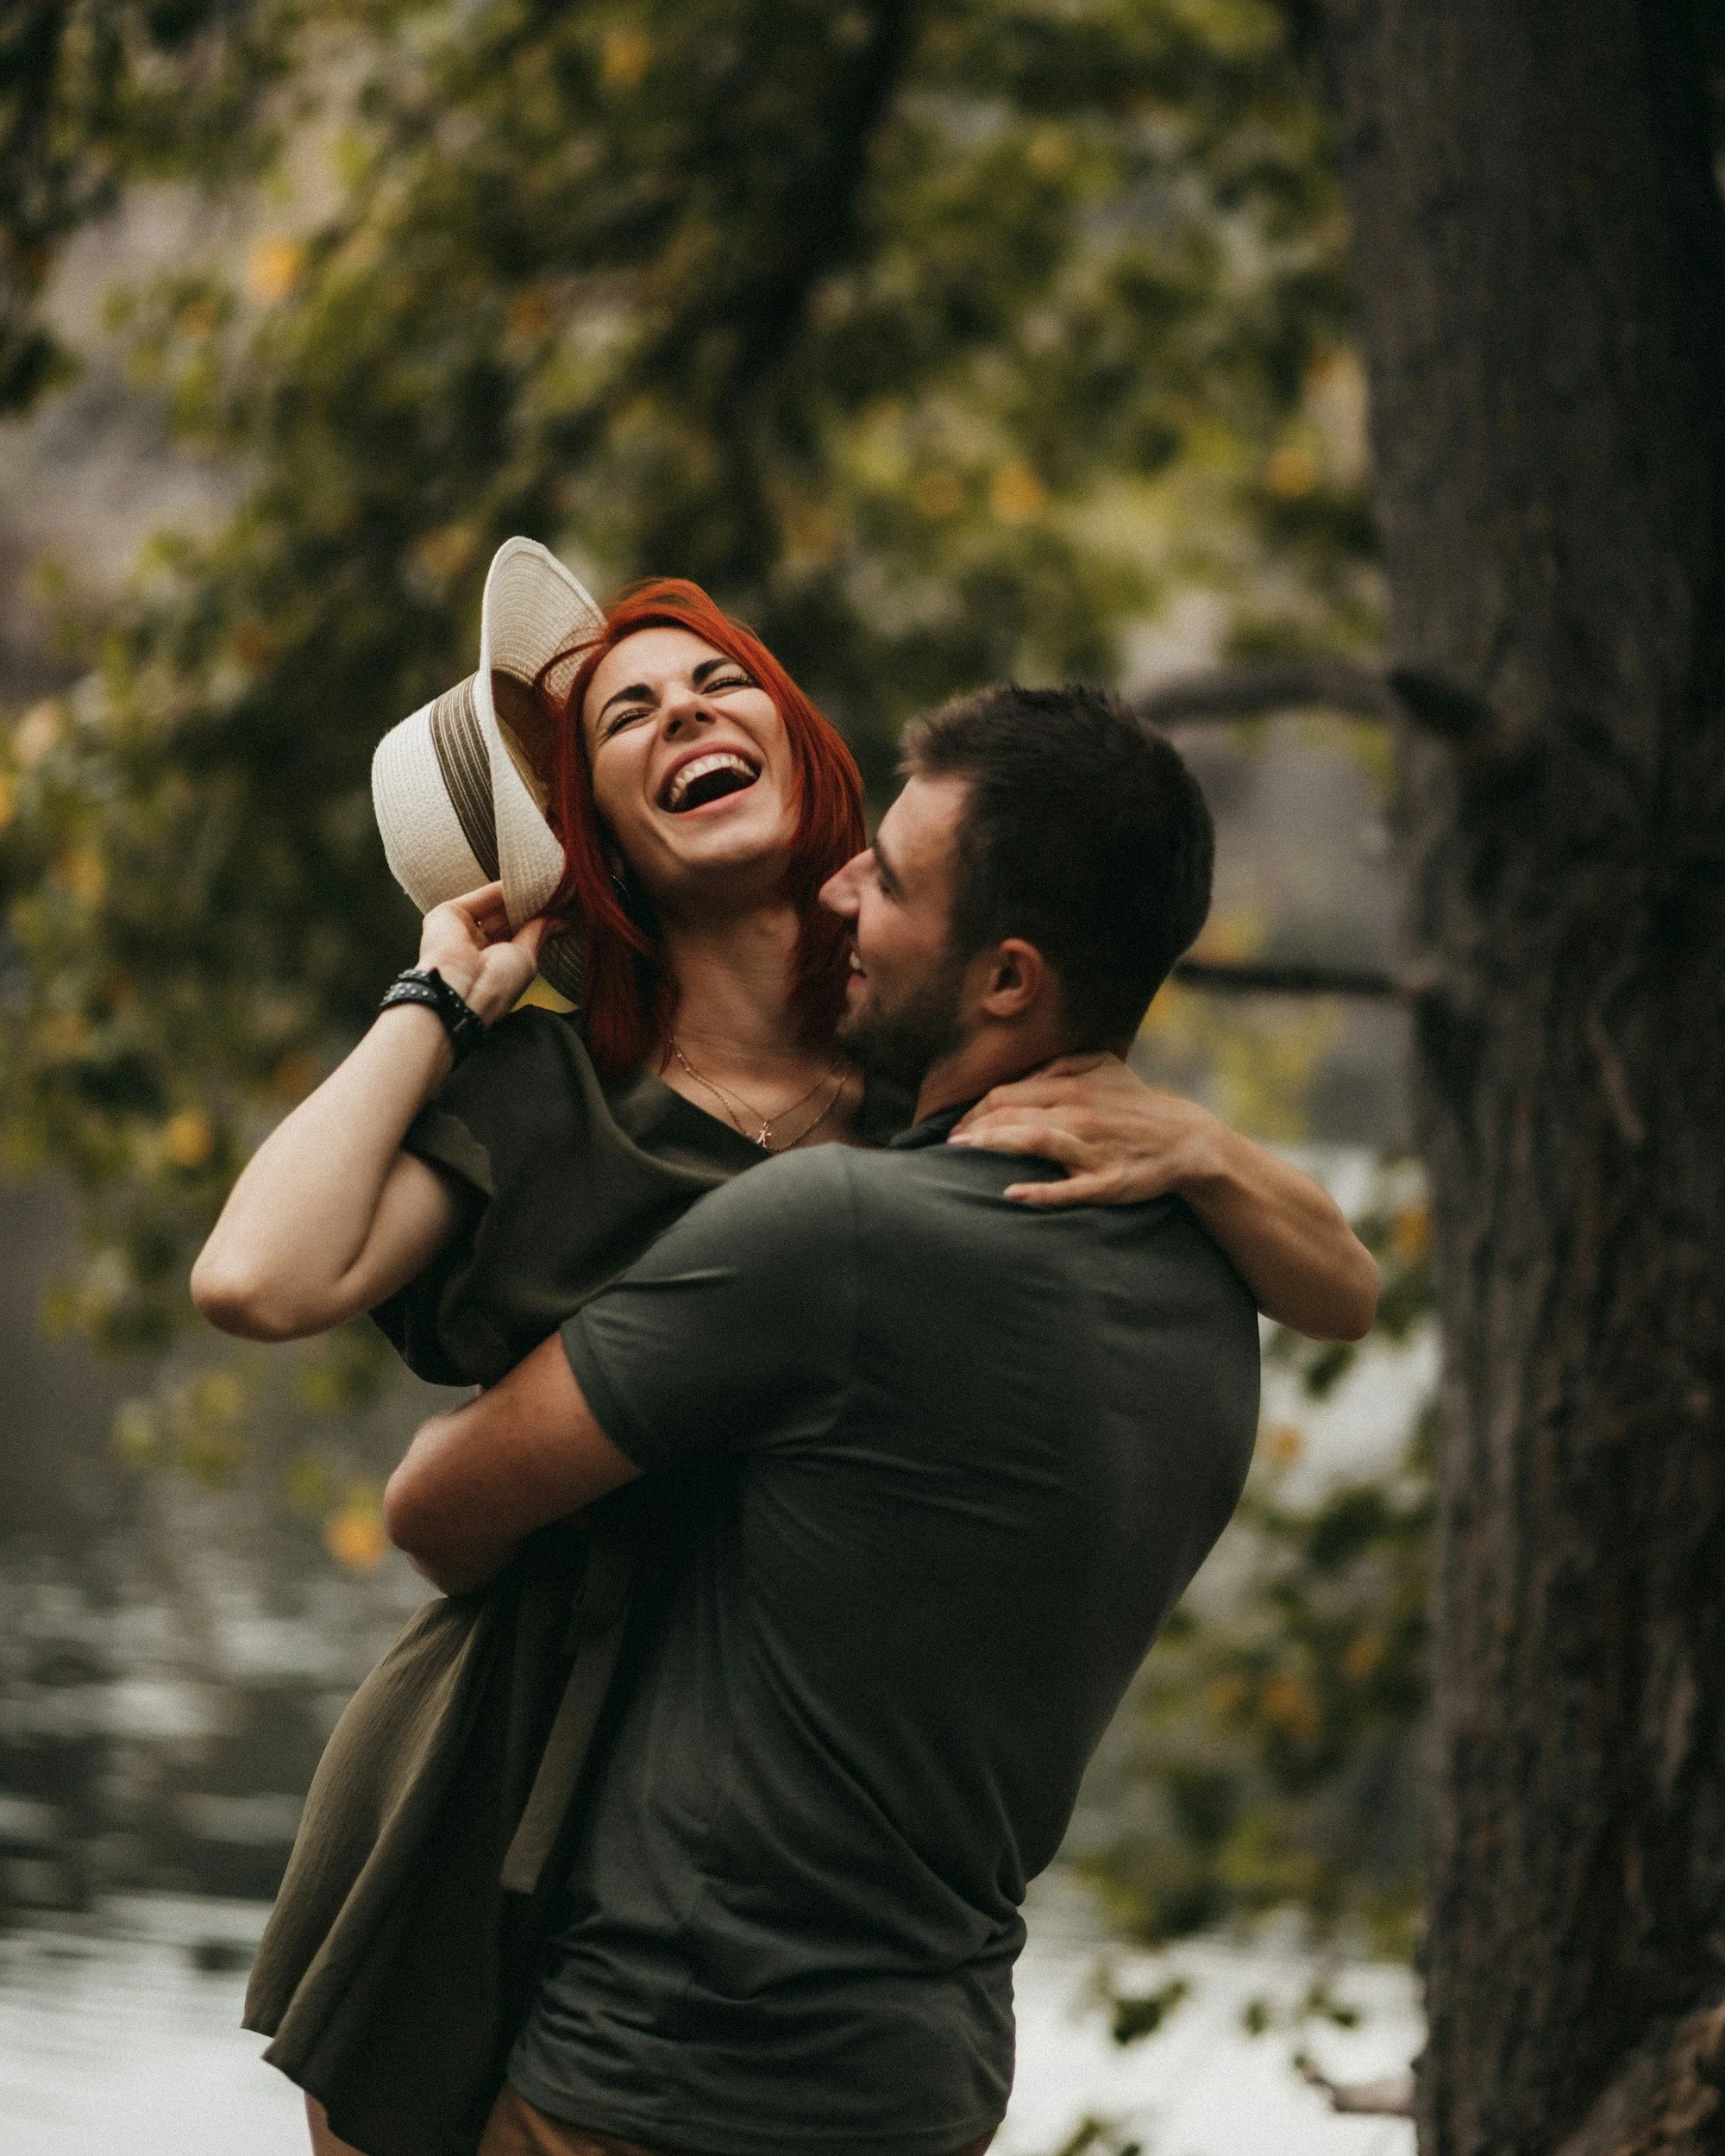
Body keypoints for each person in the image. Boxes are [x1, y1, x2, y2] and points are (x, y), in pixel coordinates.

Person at [193, 545, 1375, 2156]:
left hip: (752, 1836)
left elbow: (1340, 1292)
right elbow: (257, 1279)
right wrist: (439, 996)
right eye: (626, 719)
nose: (684, 714)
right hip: (499, 1761)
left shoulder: (938, 1079)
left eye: (717, 681)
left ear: (804, 754)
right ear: (592, 833)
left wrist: (1207, 1148)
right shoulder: (555, 1105)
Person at [380, 680, 1268, 2156]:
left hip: (660, 2070)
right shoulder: (1214, 1280)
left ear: (1005, 982)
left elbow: (434, 1509)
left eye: (895, 880)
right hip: (925, 2082)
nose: (840, 886)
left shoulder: (834, 1234)